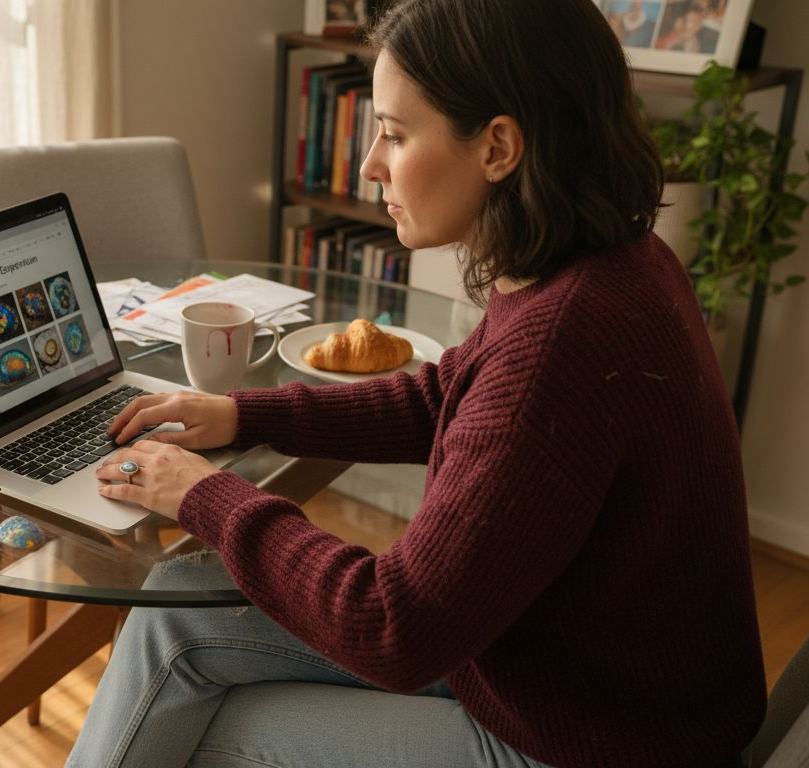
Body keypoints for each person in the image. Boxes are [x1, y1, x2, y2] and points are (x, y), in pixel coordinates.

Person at [68, 0, 766, 766]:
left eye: (395, 135)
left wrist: (201, 494)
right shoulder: (606, 265)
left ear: (498, 146)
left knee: (189, 732)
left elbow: (391, 628)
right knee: (173, 621)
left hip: (592, 742)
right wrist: (240, 412)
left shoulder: (564, 345)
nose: (371, 164)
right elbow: (446, 399)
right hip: (544, 674)